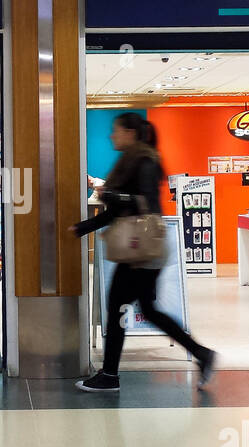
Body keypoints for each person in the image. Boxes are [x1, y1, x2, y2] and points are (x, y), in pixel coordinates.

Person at [69, 113, 216, 392]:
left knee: (117, 308)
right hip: (143, 250)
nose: (112, 136)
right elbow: (115, 213)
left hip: (143, 252)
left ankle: (110, 375)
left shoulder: (144, 161)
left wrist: (108, 195)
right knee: (147, 310)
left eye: (116, 131)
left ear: (130, 133)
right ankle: (201, 353)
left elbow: (145, 204)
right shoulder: (130, 162)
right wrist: (81, 228)